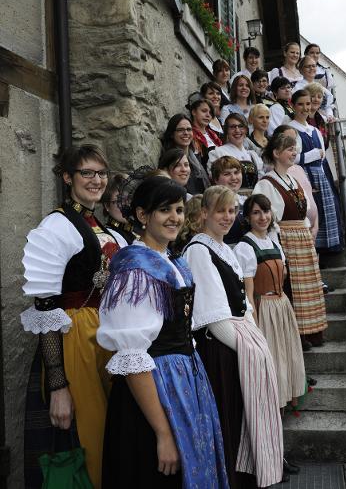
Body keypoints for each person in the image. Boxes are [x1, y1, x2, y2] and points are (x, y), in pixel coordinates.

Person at [97, 175, 229, 488]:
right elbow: (132, 356)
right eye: (164, 210)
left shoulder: (172, 261)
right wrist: (164, 433)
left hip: (185, 380)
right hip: (156, 389)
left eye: (180, 210)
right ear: (143, 216)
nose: (174, 217)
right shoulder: (135, 271)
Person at [21, 144, 127, 488]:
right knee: (89, 439)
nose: (96, 180)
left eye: (101, 173)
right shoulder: (57, 225)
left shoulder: (100, 223)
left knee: (112, 435)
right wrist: (57, 385)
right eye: (87, 173)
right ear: (67, 177)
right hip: (75, 342)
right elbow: (46, 309)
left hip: (104, 338)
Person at [183, 186, 283, 488]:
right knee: (229, 421)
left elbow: (244, 303)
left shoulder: (224, 248)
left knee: (243, 420)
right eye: (220, 211)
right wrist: (249, 350)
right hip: (219, 351)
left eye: (231, 211)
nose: (227, 217)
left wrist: (255, 339)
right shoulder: (199, 251)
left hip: (237, 344)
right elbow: (214, 318)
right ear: (204, 214)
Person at [253, 133, 327, 349]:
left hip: (301, 238)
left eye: (294, 149)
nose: (294, 152)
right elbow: (267, 219)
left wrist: (306, 233)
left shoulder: (293, 180)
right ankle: (296, 335)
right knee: (291, 288)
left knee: (307, 289)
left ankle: (310, 331)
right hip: (285, 238)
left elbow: (303, 211)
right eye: (289, 149)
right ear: (276, 153)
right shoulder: (266, 183)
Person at [234, 194, 306, 409]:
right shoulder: (245, 247)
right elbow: (248, 291)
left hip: (282, 305)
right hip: (263, 308)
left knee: (286, 353)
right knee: (273, 355)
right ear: (247, 217)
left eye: (265, 211)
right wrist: (254, 323)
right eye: (256, 212)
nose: (262, 217)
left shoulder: (274, 242)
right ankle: (273, 405)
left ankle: (287, 397)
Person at [289, 89, 342, 253]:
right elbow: (291, 157)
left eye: (308, 104)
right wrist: (312, 155)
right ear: (293, 106)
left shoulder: (314, 130)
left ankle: (327, 249)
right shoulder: (291, 129)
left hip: (319, 174)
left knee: (325, 209)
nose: (305, 108)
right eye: (300, 104)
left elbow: (322, 158)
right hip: (302, 175)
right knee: (310, 211)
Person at [208, 113, 265, 190]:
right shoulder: (218, 153)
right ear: (227, 131)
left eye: (241, 126)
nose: (237, 130)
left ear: (246, 130)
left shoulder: (252, 155)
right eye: (232, 127)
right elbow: (215, 181)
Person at [161, 113, 210, 194]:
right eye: (180, 130)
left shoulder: (195, 158)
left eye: (189, 129)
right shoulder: (169, 159)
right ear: (172, 134)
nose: (186, 133)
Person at [210, 156, 249, 246]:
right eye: (227, 174)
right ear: (216, 179)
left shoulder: (246, 201)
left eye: (236, 172)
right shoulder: (212, 203)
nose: (234, 177)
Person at [103, 173, 138, 244]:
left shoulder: (137, 230)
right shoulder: (110, 236)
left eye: (130, 199)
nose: (127, 205)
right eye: (119, 201)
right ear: (107, 205)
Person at [303, 44, 335, 120]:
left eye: (317, 53)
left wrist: (329, 114)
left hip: (322, 113)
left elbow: (329, 99)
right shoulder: (299, 72)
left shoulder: (325, 72)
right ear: (306, 54)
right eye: (312, 52)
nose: (315, 55)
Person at [189, 96, 223, 167]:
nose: (208, 115)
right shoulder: (189, 134)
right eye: (204, 111)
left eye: (210, 113)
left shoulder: (213, 134)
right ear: (194, 112)